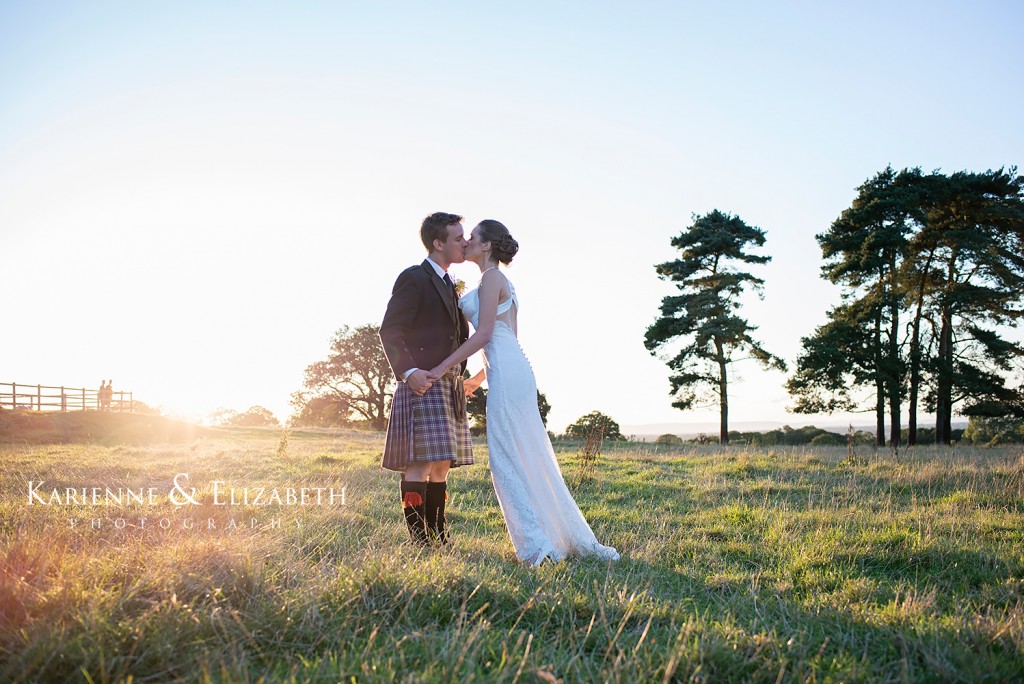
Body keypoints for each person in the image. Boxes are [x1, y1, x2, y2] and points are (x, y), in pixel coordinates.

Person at [427, 220, 619, 566]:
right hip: (511, 370)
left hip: (509, 372)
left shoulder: (491, 279)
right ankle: (548, 538)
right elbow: (504, 341)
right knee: (522, 455)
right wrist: (477, 380)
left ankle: (537, 548)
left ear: (486, 246)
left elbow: (485, 334)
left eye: (473, 237)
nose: (467, 241)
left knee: (505, 459)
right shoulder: (500, 281)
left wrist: (443, 367)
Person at [379, 212, 475, 545]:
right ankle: (420, 540)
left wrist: (461, 376)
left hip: (447, 384)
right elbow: (390, 330)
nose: (465, 243)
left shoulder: (450, 284)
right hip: (422, 382)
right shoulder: (415, 278)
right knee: (419, 464)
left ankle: (439, 535)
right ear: (438, 243)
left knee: (441, 466)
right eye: (458, 238)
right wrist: (408, 372)